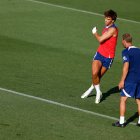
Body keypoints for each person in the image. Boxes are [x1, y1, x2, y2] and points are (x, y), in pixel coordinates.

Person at [81, 9, 118, 104]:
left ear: (112, 20)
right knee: (94, 74)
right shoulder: (106, 26)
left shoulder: (113, 29)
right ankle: (98, 92)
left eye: (108, 19)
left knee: (98, 76)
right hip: (100, 54)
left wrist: (94, 33)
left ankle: (90, 89)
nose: (105, 20)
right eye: (105, 18)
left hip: (108, 57)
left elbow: (101, 39)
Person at [112, 33, 140, 127]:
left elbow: (126, 66)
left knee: (123, 99)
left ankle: (122, 122)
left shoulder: (126, 52)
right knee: (139, 100)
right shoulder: (139, 50)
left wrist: (122, 80)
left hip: (130, 79)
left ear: (124, 41)